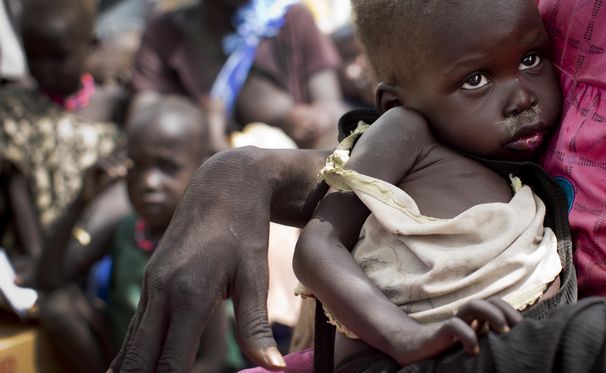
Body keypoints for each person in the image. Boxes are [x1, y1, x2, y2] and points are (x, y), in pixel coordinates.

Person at [107, 0, 606, 372]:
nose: (521, 96)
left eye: (531, 60)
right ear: (394, 101)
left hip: (531, 329)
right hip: (427, 351)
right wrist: (407, 337)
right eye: (475, 80)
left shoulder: (486, 143)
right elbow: (318, 247)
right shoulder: (410, 130)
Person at [34, 95, 232, 373]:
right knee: (59, 306)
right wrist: (81, 201)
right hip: (129, 362)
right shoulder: (127, 229)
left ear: (202, 168)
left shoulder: (204, 242)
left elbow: (214, 357)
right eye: (137, 166)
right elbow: (50, 281)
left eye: (167, 168)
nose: (148, 182)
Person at [0, 0, 126, 280]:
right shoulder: (15, 109)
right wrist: (37, 257)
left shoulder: (115, 106)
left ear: (92, 46)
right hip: (35, 245)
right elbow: (15, 184)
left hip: (91, 247)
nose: (45, 69)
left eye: (58, 57)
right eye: (34, 56)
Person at [130, 0, 348, 150]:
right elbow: (142, 121)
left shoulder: (291, 18)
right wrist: (205, 129)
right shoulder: (165, 32)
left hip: (293, 166)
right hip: (194, 174)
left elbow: (330, 107)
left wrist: (308, 121)